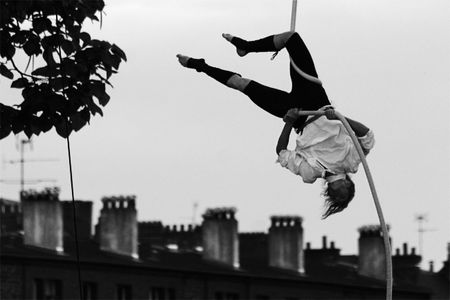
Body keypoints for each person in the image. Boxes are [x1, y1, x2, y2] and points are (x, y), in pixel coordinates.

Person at [177, 31, 375, 218]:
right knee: (291, 38)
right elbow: (367, 136)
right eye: (344, 195)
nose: (338, 193)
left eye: (336, 197)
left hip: (296, 116)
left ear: (328, 193)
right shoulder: (352, 161)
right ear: (350, 186)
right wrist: (339, 118)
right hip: (318, 102)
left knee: (242, 85)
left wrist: (288, 121)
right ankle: (245, 47)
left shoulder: (310, 173)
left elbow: (281, 151)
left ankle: (199, 65)